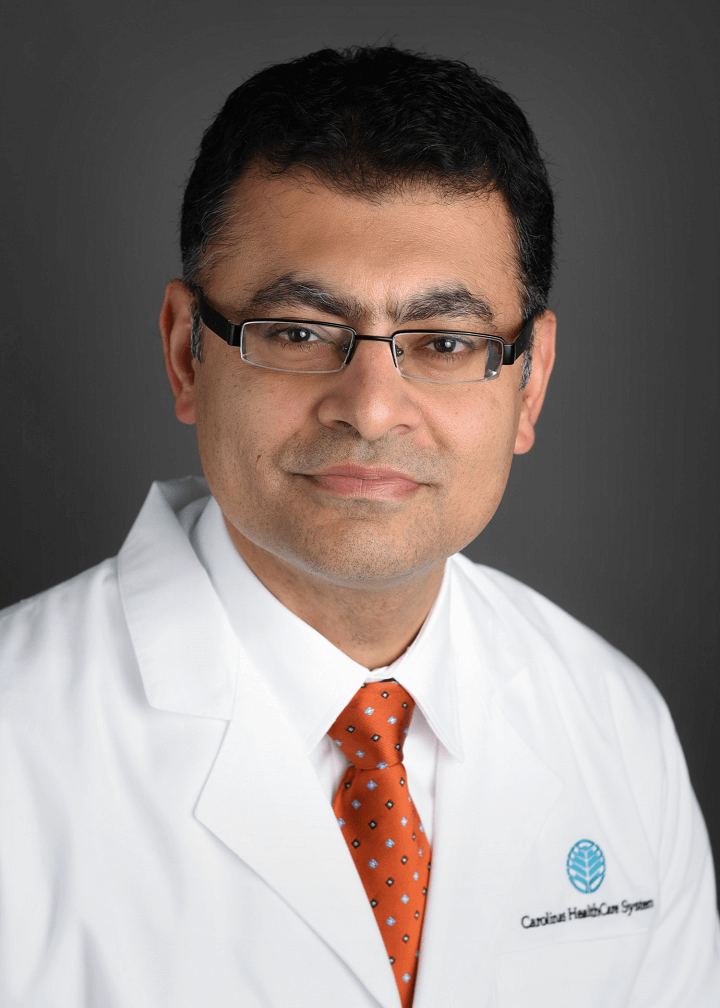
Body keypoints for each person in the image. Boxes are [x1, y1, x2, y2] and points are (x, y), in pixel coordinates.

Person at [0, 44, 717, 1008]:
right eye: (299, 332)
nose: (372, 409)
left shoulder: (615, 725)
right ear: (185, 354)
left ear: (531, 381)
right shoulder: (18, 743)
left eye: (446, 341)